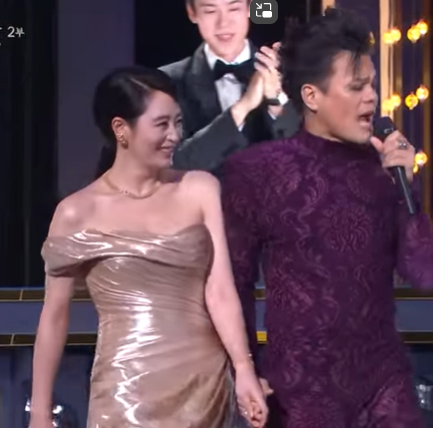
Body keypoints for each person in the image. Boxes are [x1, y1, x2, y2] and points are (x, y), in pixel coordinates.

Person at [221, 9, 433, 427]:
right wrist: (244, 371)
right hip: (300, 391)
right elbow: (234, 284)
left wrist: (406, 189)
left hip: (384, 384)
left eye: (372, 85)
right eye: (357, 86)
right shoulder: (258, 172)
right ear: (311, 96)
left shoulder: (385, 171)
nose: (371, 98)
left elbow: (426, 274)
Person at [30, 66, 269, 428]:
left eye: (178, 123)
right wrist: (40, 412)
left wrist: (244, 369)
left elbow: (220, 290)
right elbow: (54, 316)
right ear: (121, 129)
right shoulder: (77, 213)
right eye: (161, 124)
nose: (174, 135)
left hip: (204, 388)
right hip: (125, 390)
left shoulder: (199, 188)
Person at [160, 0, 300, 172]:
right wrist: (243, 106)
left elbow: (306, 158)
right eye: (210, 11)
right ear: (192, 12)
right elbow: (172, 165)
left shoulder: (288, 72)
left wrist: (277, 100)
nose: (223, 23)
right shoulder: (166, 82)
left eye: (233, 8)